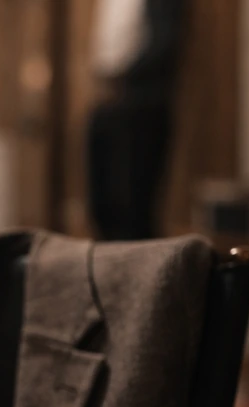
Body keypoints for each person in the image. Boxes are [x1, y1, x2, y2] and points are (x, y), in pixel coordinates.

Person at [87, 0, 187, 240]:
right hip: (107, 99)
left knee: (132, 205)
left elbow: (165, 42)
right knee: (102, 204)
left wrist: (124, 79)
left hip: (142, 103)